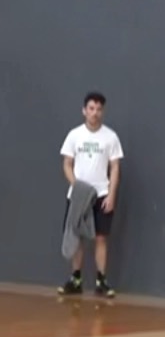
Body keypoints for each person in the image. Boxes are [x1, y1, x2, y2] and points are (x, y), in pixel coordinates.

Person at [57, 91, 124, 299]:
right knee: (77, 237)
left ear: (102, 112)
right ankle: (75, 280)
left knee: (101, 238)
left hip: (101, 195)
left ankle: (101, 281)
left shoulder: (111, 137)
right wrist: (77, 187)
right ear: (84, 110)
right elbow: (67, 164)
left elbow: (115, 167)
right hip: (78, 197)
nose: (95, 113)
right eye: (91, 108)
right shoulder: (74, 135)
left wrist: (111, 195)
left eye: (98, 109)